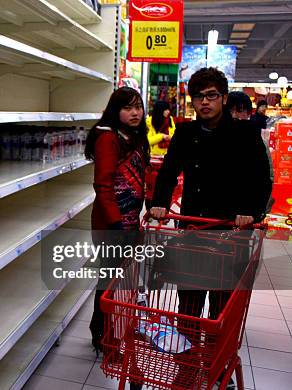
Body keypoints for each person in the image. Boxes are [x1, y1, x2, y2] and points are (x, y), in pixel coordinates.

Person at [149, 67, 272, 388]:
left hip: (230, 231)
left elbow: (261, 179)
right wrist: (159, 203)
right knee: (188, 307)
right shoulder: (186, 134)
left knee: (221, 309)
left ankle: (220, 368)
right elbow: (168, 172)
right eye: (198, 97)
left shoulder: (244, 134)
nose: (204, 102)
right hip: (194, 228)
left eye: (211, 96)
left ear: (223, 97)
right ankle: (187, 366)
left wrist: (249, 211)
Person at [85, 86, 149, 355]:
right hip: (112, 225)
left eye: (138, 107)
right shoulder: (108, 138)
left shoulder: (133, 136)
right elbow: (103, 185)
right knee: (110, 281)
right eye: (127, 108)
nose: (135, 113)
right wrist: (115, 226)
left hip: (128, 221)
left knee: (113, 280)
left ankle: (101, 329)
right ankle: (104, 337)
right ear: (115, 111)